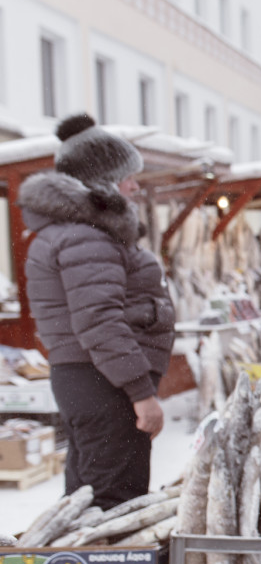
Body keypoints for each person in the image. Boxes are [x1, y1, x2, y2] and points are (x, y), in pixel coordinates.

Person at [18, 114, 175, 511]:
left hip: (90, 380)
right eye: (128, 176)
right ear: (103, 181)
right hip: (104, 384)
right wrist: (142, 394)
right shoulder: (86, 238)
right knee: (113, 503)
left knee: (88, 498)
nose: (136, 186)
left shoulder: (78, 233)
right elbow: (100, 322)